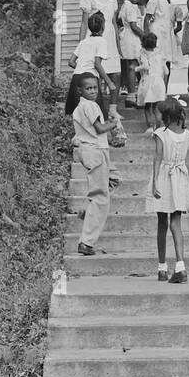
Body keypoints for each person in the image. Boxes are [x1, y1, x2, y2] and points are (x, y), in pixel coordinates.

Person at [146, 96, 189, 283]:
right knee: (176, 223)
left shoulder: (161, 133)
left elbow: (158, 158)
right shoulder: (186, 133)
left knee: (162, 223)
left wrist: (156, 181)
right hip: (180, 176)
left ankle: (162, 267)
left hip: (165, 175)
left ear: (165, 115)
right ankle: (180, 265)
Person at [73, 73, 117, 256]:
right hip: (95, 151)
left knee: (114, 178)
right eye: (88, 88)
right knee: (101, 198)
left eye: (94, 88)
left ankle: (88, 211)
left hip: (97, 150)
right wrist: (113, 124)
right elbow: (99, 128)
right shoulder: (89, 105)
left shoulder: (81, 108)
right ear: (80, 90)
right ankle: (86, 242)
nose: (92, 91)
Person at [79, 0, 121, 114]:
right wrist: (81, 45)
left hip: (110, 42)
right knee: (97, 76)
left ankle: (113, 109)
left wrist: (118, 44)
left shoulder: (112, 0)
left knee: (116, 74)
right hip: (96, 41)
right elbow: (84, 23)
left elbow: (114, 23)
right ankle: (99, 109)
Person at [66, 12, 110, 118]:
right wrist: (109, 82)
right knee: (97, 114)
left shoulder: (83, 42)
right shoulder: (102, 41)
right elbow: (97, 64)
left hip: (76, 77)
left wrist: (82, 67)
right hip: (90, 79)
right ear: (103, 27)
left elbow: (71, 62)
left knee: (77, 114)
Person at [117, 0, 145, 105]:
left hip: (128, 37)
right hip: (132, 38)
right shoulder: (130, 7)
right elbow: (134, 26)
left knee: (134, 66)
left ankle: (135, 93)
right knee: (133, 66)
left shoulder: (126, 5)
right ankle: (131, 94)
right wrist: (145, 37)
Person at [143, 0, 174, 82]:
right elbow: (147, 19)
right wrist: (147, 37)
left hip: (165, 33)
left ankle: (163, 91)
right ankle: (155, 87)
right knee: (157, 59)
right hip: (157, 32)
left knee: (166, 60)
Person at [136, 32, 166, 132]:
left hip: (148, 81)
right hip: (159, 82)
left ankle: (150, 126)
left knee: (148, 106)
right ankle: (159, 127)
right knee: (157, 106)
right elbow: (166, 71)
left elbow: (145, 66)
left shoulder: (143, 54)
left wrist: (135, 68)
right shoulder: (160, 54)